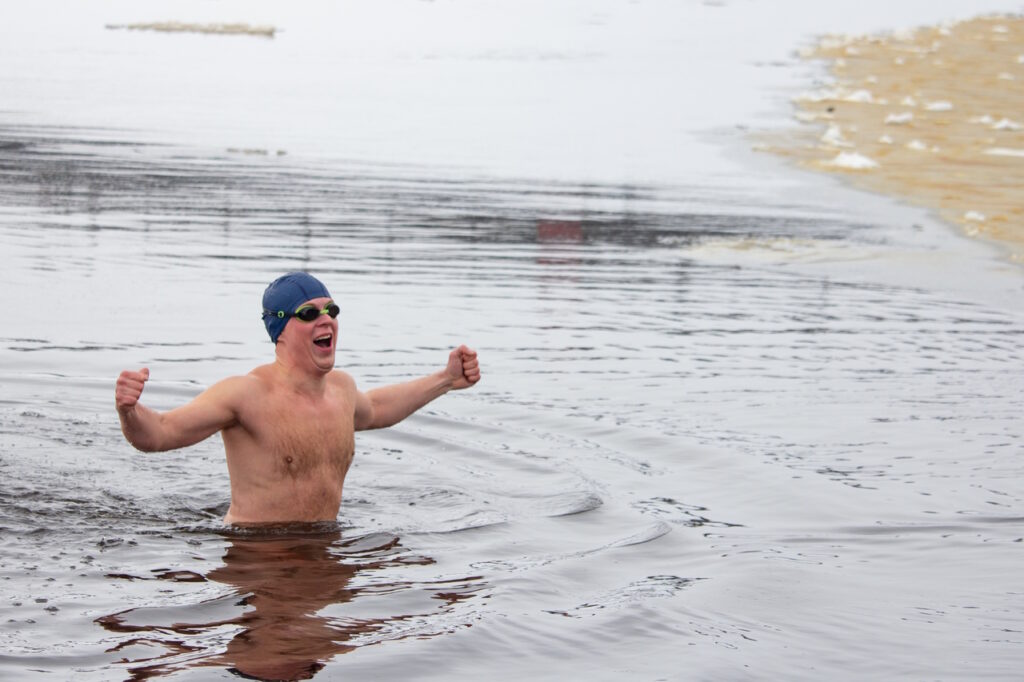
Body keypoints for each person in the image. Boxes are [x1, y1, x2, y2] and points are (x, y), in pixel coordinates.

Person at [114, 272, 481, 525]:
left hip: (322, 551)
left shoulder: (342, 390)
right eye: (309, 314)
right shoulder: (246, 394)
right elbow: (160, 433)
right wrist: (130, 410)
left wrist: (445, 379)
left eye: (331, 310)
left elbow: (378, 408)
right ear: (280, 330)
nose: (326, 320)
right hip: (257, 555)